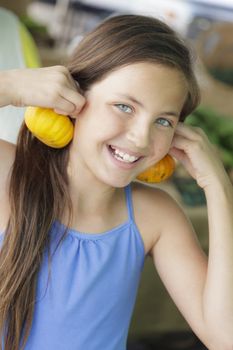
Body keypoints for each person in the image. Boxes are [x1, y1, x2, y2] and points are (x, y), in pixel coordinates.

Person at [0, 14, 232, 350]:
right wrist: (8, 86)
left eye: (163, 121)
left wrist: (218, 187)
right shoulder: (8, 171)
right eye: (124, 106)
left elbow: (225, 338)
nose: (140, 138)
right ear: (72, 99)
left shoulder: (155, 216)